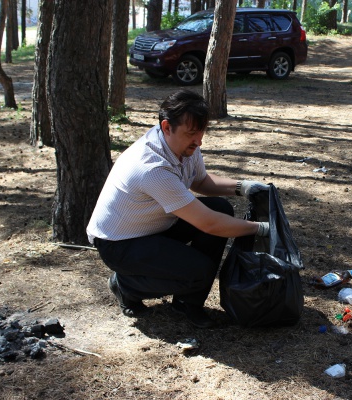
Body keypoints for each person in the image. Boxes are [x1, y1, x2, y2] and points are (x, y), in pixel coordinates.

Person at [86, 89, 270, 329]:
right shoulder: (152, 167)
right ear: (166, 127)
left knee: (220, 207)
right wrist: (261, 229)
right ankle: (124, 285)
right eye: (192, 133)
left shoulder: (182, 146)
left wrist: (242, 187)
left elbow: (200, 182)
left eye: (201, 132)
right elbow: (209, 224)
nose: (199, 141)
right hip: (119, 243)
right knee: (201, 271)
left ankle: (187, 303)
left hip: (153, 225)